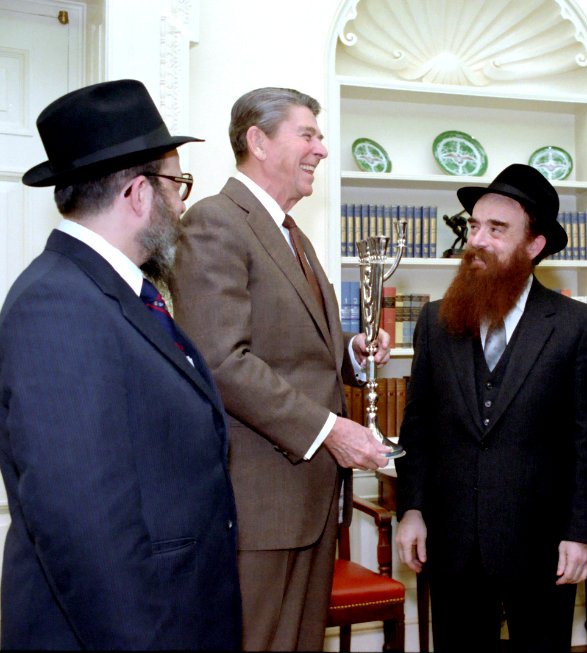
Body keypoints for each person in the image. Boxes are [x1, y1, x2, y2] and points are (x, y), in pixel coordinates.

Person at [0, 79, 240, 649]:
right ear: (138, 193)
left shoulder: (118, 293)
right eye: (177, 185)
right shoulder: (57, 304)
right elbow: (85, 529)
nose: (182, 204)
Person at [170, 87, 391, 651]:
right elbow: (221, 359)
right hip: (261, 504)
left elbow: (294, 346)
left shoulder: (293, 234)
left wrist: (352, 352)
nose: (321, 147)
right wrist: (330, 431)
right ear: (258, 141)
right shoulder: (215, 222)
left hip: (311, 499)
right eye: (308, 134)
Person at [395, 163, 587, 653]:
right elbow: (418, 426)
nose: (478, 240)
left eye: (497, 229)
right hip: (451, 543)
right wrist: (412, 509)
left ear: (535, 245)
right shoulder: (435, 320)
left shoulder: (578, 326)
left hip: (542, 544)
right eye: (473, 226)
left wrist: (579, 533)